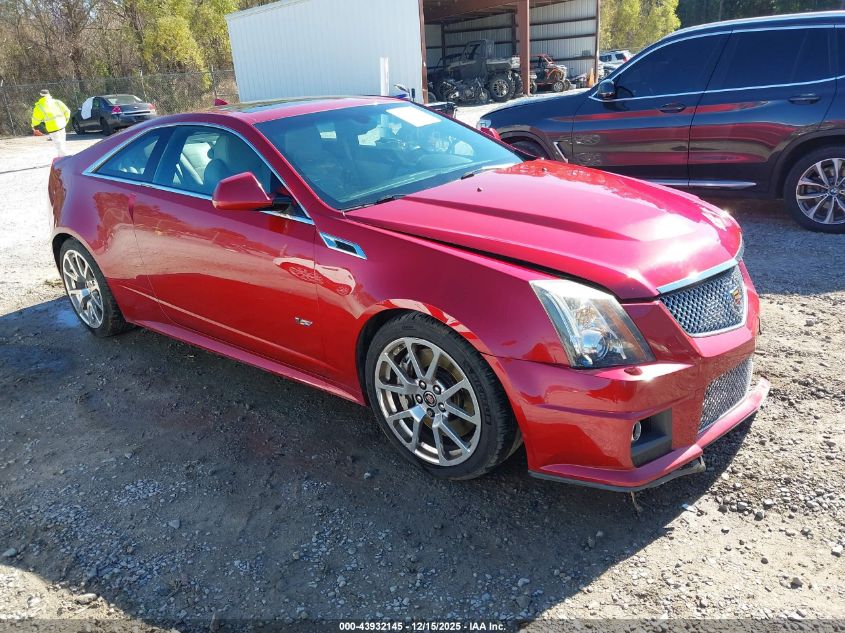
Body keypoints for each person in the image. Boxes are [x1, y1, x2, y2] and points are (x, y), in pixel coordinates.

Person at [31, 89, 70, 157]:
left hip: (53, 128)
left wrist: (33, 126)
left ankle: (64, 158)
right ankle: (61, 156)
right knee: (62, 143)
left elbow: (36, 119)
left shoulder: (39, 106)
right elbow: (67, 112)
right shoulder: (57, 102)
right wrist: (65, 121)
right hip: (62, 125)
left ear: (40, 95)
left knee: (58, 144)